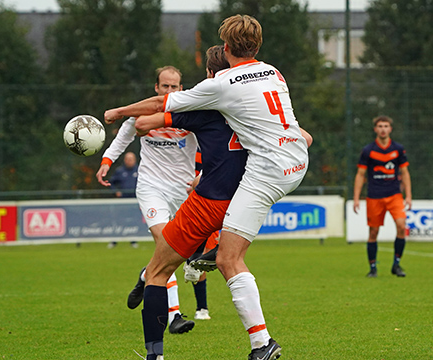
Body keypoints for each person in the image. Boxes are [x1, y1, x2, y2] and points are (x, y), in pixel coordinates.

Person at [104, 15, 310, 360]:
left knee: (160, 270)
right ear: (257, 46)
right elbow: (303, 134)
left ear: (221, 57)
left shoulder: (216, 90)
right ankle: (216, 259)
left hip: (219, 194)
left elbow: (152, 114)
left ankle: (156, 354)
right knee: (230, 254)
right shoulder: (273, 73)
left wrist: (120, 113)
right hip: (293, 163)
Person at [96, 66, 197, 334]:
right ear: (156, 88)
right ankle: (174, 315)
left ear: (181, 89)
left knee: (176, 252)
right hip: (151, 187)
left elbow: (211, 145)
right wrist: (107, 162)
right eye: (165, 87)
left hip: (184, 191)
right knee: (167, 243)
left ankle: (146, 275)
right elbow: (122, 138)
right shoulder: (143, 112)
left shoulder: (190, 115)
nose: (170, 91)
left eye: (175, 87)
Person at [353, 115, 412, 278]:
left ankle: (397, 265)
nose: (383, 129)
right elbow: (360, 174)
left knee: (401, 226)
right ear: (375, 129)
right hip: (374, 196)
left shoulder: (398, 149)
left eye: (386, 126)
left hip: (394, 195)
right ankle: (372, 268)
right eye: (380, 126)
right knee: (373, 232)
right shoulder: (368, 150)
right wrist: (356, 198)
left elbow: (405, 173)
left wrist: (408, 196)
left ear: (390, 129)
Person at [107, 151, 139, 249]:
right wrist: (116, 191)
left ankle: (134, 240)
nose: (129, 161)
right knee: (119, 221)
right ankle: (114, 240)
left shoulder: (140, 170)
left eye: (131, 159)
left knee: (134, 221)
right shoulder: (120, 171)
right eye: (128, 159)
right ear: (125, 160)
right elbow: (111, 182)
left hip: (135, 201)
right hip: (122, 202)